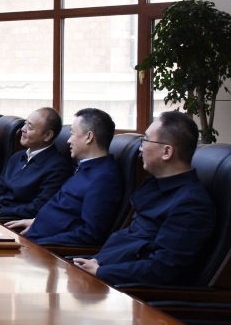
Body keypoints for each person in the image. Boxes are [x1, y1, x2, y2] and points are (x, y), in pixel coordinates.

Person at [74, 111, 214, 286]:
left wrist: (101, 271)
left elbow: (162, 268)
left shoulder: (191, 204)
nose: (141, 149)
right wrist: (96, 261)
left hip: (129, 291)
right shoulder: (154, 186)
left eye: (146, 140)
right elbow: (130, 240)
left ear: (167, 151)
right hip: (105, 270)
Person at [7, 108, 121, 246]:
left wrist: (40, 244)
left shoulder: (104, 178)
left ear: (89, 137)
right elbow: (65, 212)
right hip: (33, 236)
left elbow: (90, 234)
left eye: (72, 134)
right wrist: (37, 221)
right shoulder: (85, 167)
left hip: (46, 249)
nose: (68, 141)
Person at [0, 107, 72, 221]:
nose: (23, 129)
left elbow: (39, 206)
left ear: (47, 136)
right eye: (25, 124)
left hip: (11, 221)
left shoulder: (57, 167)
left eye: (30, 127)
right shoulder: (17, 156)